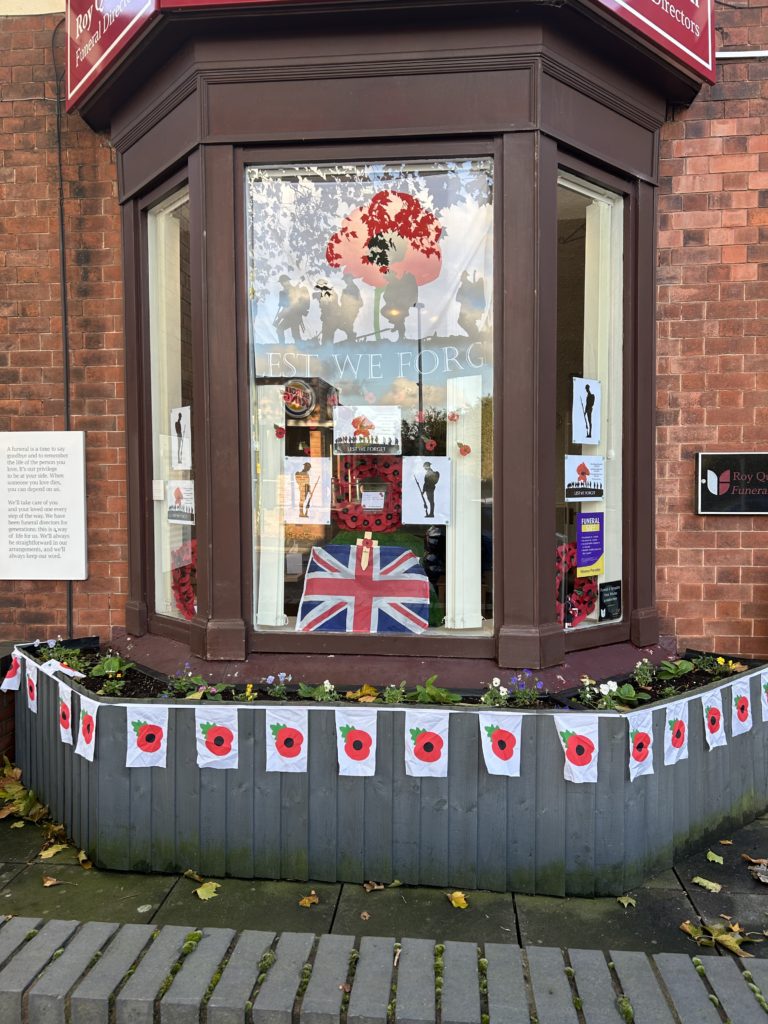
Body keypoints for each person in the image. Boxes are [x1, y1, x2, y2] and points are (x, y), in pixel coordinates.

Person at [274, 275, 309, 344]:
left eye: (282, 282)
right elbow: (285, 306)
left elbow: (291, 305)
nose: (281, 284)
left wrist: (281, 315)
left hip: (294, 316)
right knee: (281, 330)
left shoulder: (293, 290)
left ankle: (300, 348)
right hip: (289, 317)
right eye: (281, 282)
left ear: (286, 282)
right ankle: (283, 347)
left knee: (295, 335)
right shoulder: (285, 292)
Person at [456, 270, 486, 340]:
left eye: (462, 276)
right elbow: (458, 298)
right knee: (464, 322)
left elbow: (466, 297)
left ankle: (475, 336)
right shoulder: (465, 285)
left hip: (467, 310)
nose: (460, 278)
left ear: (464, 277)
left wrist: (465, 300)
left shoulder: (467, 285)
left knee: (463, 321)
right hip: (466, 310)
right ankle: (475, 336)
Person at [338, 273, 363, 342]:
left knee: (348, 323)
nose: (345, 281)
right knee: (342, 324)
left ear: (350, 279)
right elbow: (342, 301)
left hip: (351, 310)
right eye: (345, 279)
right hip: (346, 310)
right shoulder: (347, 289)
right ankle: (351, 335)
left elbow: (357, 301)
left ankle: (351, 337)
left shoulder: (354, 289)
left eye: (346, 279)